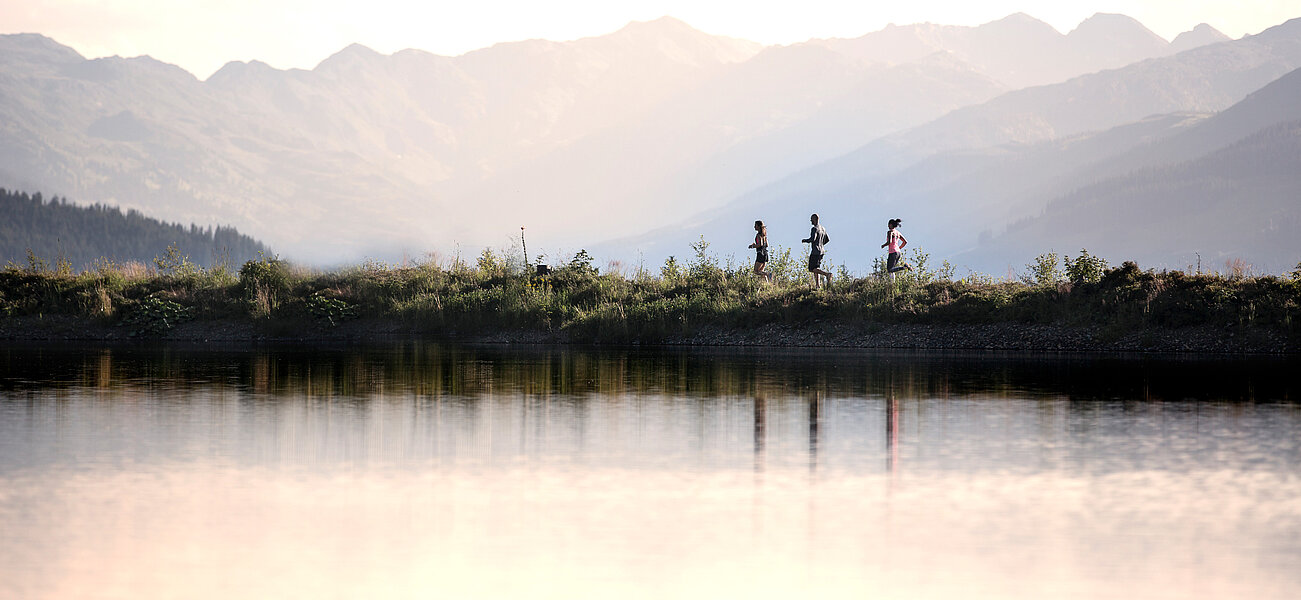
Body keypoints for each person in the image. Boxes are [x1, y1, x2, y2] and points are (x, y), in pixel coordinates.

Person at [802, 213, 832, 289]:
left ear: (815, 219)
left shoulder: (814, 229)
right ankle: (817, 285)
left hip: (815, 251)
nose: (811, 221)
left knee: (812, 268)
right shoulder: (823, 229)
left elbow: (813, 239)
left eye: (811, 220)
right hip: (821, 251)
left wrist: (805, 240)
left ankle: (826, 274)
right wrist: (821, 244)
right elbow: (827, 239)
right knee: (816, 268)